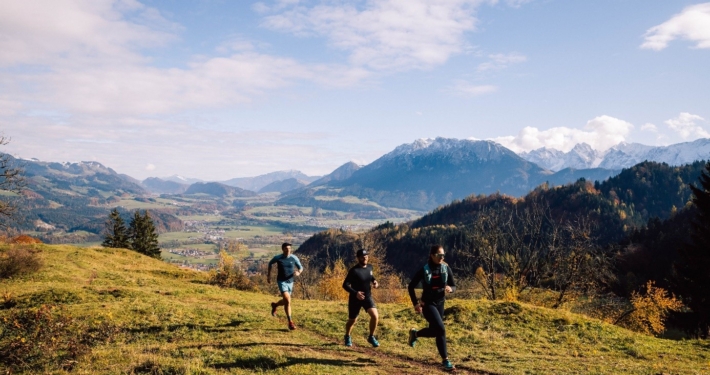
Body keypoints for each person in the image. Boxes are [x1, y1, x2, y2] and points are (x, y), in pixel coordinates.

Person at [407, 244, 457, 372]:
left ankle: (415, 334)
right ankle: (445, 360)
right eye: (439, 255)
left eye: (443, 255)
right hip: (428, 304)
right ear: (432, 255)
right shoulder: (425, 270)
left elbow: (454, 285)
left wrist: (451, 289)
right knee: (441, 329)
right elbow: (411, 286)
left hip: (440, 303)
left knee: (435, 331)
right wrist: (416, 303)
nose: (442, 257)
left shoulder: (446, 268)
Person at [342, 249, 380, 347]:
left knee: (375, 316)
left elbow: (371, 276)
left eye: (366, 256)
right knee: (352, 320)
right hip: (355, 299)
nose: (365, 258)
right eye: (363, 256)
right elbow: (345, 285)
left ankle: (371, 336)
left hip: (367, 297)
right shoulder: (354, 270)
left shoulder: (370, 267)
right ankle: (347, 336)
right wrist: (356, 293)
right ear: (358, 258)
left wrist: (375, 281)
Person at [268, 242, 303, 330]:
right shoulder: (278, 258)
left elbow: (301, 267)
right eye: (286, 248)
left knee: (286, 301)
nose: (288, 250)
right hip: (281, 281)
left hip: (290, 282)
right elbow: (270, 263)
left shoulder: (294, 257)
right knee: (288, 300)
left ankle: (275, 305)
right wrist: (268, 275)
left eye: (290, 249)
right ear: (282, 249)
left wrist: (298, 272)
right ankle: (290, 322)